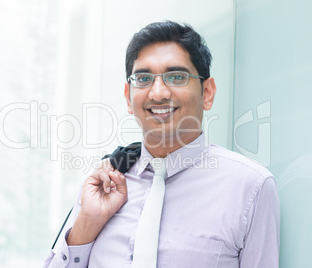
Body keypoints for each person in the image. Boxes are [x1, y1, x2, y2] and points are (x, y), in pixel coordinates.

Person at [44, 21, 280, 268]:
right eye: (144, 78)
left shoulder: (251, 188)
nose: (158, 93)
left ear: (207, 92)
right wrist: (87, 225)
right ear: (128, 97)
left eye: (176, 77)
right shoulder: (103, 183)